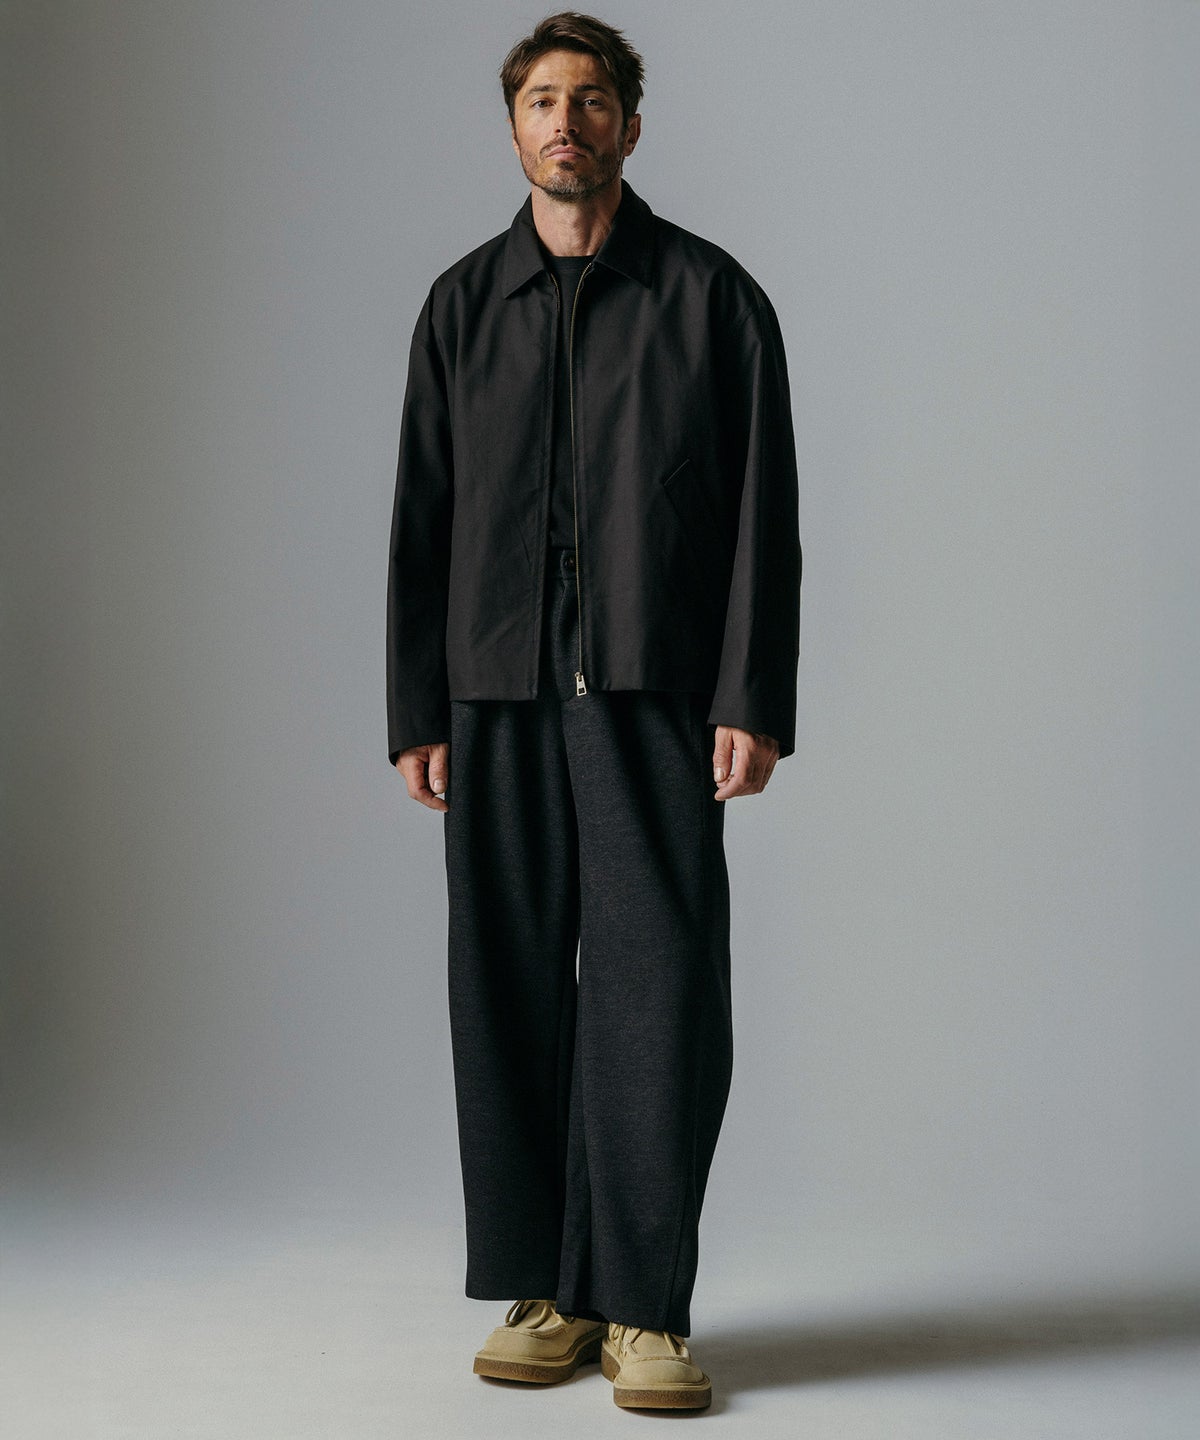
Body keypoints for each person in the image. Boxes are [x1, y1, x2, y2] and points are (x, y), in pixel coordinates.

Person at [386, 11, 800, 1412]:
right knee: (505, 985)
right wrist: (416, 705)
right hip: (494, 687)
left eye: (593, 98)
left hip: (653, 687)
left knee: (659, 989)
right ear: (514, 128)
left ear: (630, 122)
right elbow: (421, 518)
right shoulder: (463, 305)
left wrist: (750, 693)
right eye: (542, 101)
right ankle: (546, 1288)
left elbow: (764, 514)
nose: (567, 122)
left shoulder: (712, 299)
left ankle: (644, 1307)